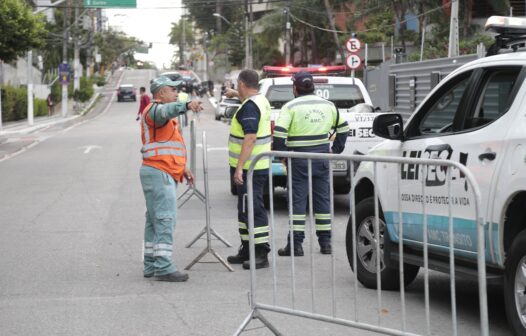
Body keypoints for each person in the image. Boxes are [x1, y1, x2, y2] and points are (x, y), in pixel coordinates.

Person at [273, 71, 349, 256]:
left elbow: (280, 135)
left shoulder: (290, 107)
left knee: (298, 202)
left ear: (295, 88)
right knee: (322, 201)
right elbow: (344, 128)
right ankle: (326, 244)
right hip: (322, 158)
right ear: (313, 86)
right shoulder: (328, 105)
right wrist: (335, 150)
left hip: (298, 160)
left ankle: (296, 245)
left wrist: (283, 156)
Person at [139, 76, 203, 282]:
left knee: (154, 220)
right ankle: (164, 266)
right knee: (166, 219)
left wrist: (183, 168)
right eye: (172, 90)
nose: (176, 93)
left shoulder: (165, 117)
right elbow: (165, 111)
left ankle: (150, 264)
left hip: (159, 170)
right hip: (159, 172)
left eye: (177, 90)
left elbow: (169, 145)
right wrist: (186, 105)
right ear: (160, 94)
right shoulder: (154, 110)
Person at [225, 69, 272, 270]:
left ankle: (261, 252)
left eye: (237, 85)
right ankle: (247, 248)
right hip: (255, 166)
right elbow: (247, 97)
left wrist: (239, 168)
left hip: (250, 168)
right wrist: (235, 94)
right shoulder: (260, 100)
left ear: (242, 83)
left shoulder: (250, 107)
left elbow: (250, 138)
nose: (236, 87)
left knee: (253, 208)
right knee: (245, 208)